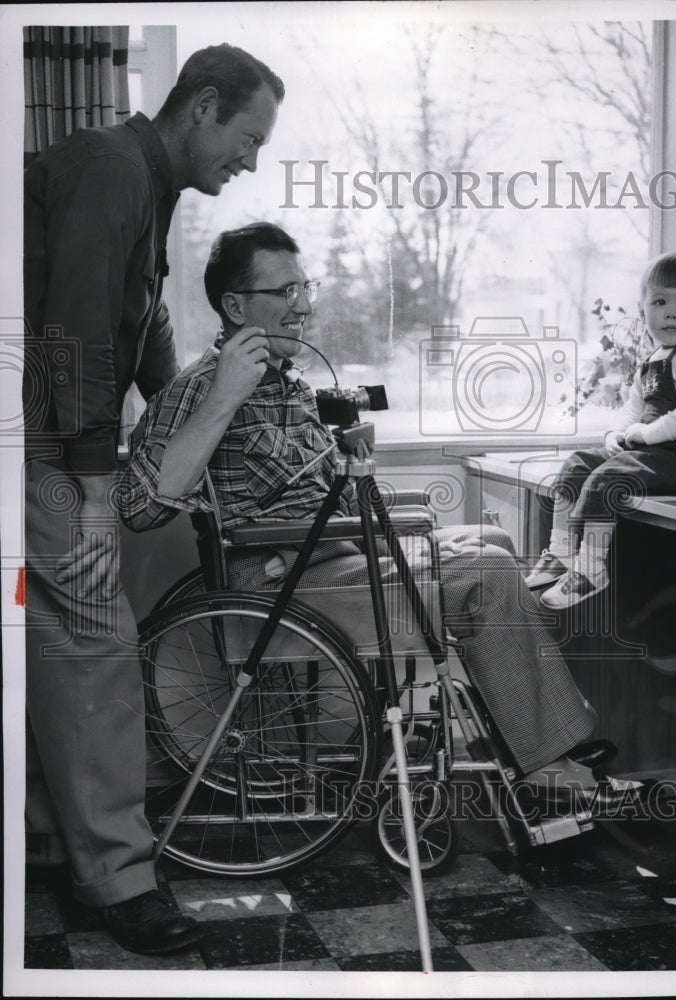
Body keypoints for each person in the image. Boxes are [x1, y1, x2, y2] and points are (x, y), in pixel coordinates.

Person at [117, 221, 633, 821]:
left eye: (303, 287)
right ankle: (549, 762)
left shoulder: (285, 382)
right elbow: (139, 507)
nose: (304, 305)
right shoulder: (203, 385)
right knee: (489, 570)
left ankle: (525, 738)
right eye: (284, 292)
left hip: (329, 558)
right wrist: (224, 397)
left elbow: (309, 487)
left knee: (492, 541)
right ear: (234, 306)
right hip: (282, 584)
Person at [23, 45, 283, 955]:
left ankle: (57, 840)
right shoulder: (108, 168)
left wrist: (183, 406)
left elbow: (142, 325)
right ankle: (120, 878)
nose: (248, 160)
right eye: (246, 138)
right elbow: (75, 339)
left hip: (56, 435)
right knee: (95, 635)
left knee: (62, 642)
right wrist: (95, 498)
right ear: (202, 105)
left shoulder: (144, 183)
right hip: (42, 437)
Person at [526, 252, 676, 609]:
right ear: (643, 312)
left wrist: (641, 435)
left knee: (608, 479)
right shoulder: (654, 358)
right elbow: (633, 408)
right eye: (660, 302)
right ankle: (561, 551)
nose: (671, 312)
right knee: (578, 464)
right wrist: (615, 435)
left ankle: (592, 569)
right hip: (654, 453)